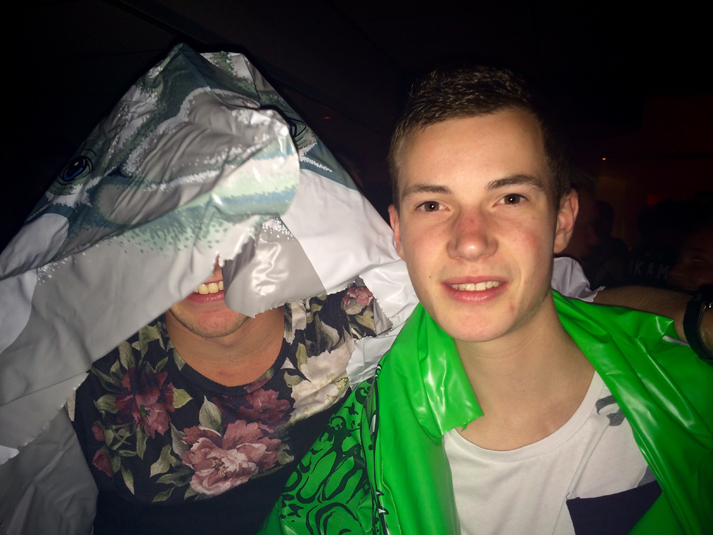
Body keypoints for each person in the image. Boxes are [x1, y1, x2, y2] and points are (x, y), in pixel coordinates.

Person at [261, 65, 713, 534]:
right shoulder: (349, 452)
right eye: (432, 205)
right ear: (399, 233)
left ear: (562, 220)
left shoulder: (690, 394)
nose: (471, 242)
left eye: (510, 198)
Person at [69, 257, 381, 534]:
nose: (205, 260)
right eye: (175, 229)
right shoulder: (87, 373)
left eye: (226, 224)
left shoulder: (359, 317)